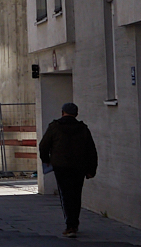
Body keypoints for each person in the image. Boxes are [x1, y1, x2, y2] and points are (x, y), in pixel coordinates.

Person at [39, 102, 98, 238]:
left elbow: (43, 146)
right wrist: (91, 169)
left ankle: (70, 226)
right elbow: (91, 150)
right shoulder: (83, 129)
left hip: (61, 166)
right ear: (76, 114)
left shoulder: (54, 127)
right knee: (76, 194)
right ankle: (74, 223)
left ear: (62, 112)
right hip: (79, 167)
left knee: (65, 194)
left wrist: (46, 160)